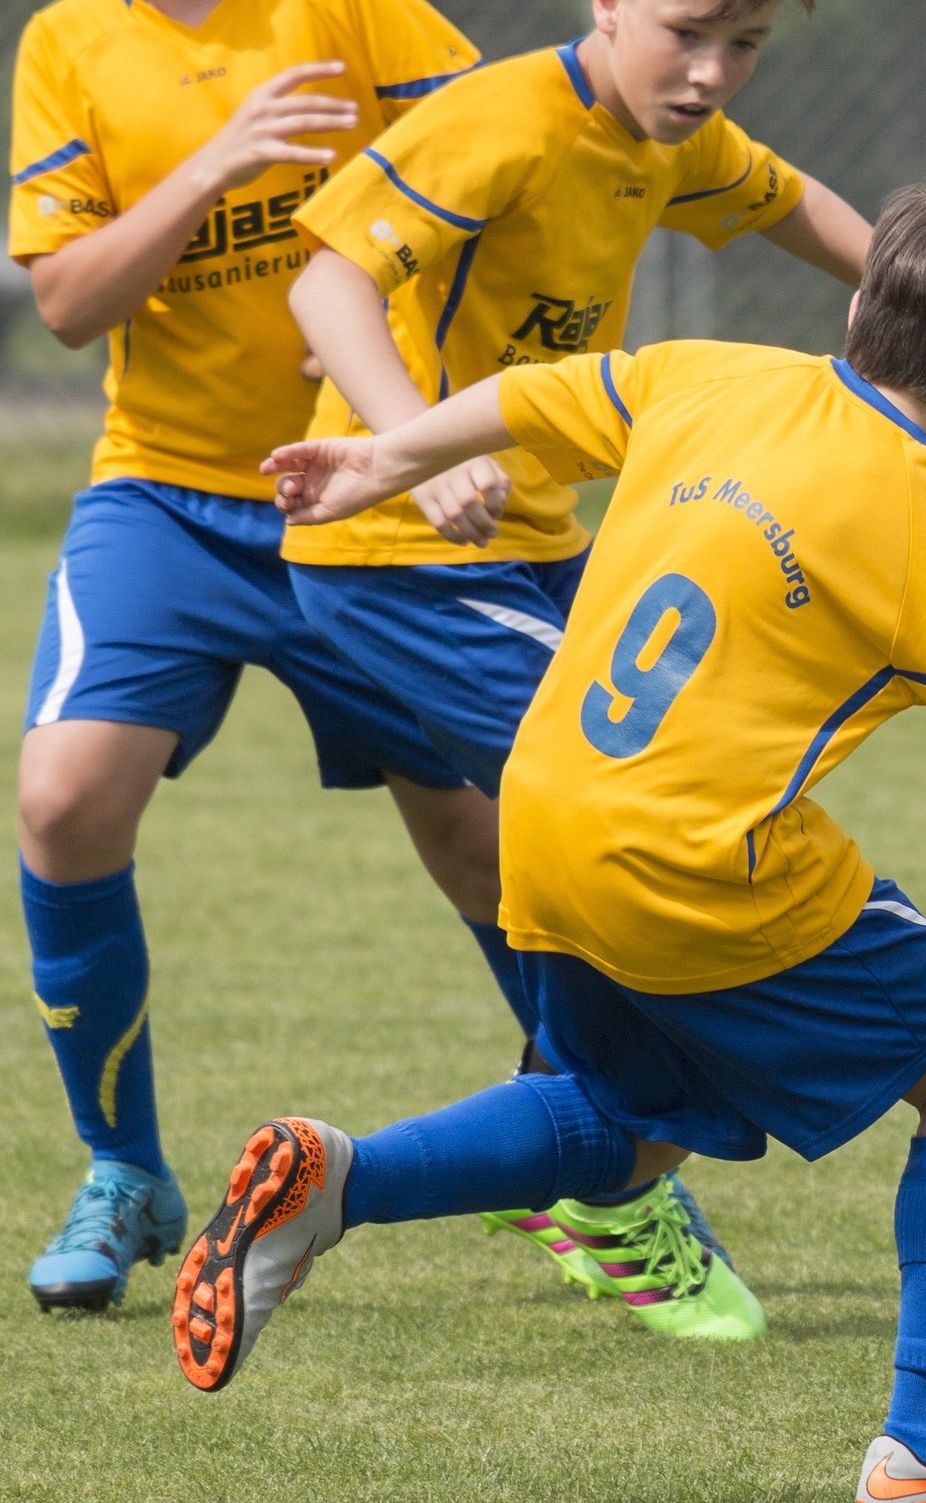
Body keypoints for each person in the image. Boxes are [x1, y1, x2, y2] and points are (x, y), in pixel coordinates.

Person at [169, 170, 926, 1499]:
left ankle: (335, 1183)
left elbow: (539, 399)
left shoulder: (726, 377)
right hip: (697, 856)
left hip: (547, 811)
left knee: (624, 1122)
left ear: (857, 308)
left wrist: (385, 454)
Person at [276, 0, 873, 1330]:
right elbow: (324, 278)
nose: (713, 72)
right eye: (686, 32)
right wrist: (411, 445)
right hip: (396, 551)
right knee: (631, 800)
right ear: (606, 4)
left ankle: (559, 1144)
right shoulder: (501, 117)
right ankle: (600, 1174)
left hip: (534, 544)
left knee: (533, 855)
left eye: (749, 44)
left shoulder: (675, 129)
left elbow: (793, 202)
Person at [7, 0, 507, 1314]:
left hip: (362, 491)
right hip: (166, 497)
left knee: (484, 838)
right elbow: (65, 302)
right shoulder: (71, 41)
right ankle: (125, 1171)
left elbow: (506, 163)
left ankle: (605, 1156)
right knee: (61, 801)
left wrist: (394, 324)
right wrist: (213, 163)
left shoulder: (356, 12)